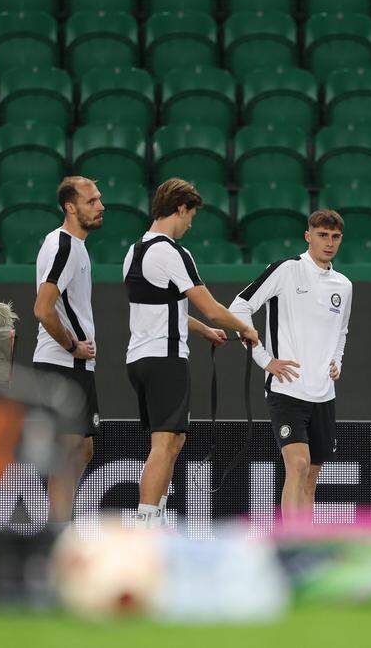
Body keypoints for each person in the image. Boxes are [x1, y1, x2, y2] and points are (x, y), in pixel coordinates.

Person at [124, 178, 261, 528]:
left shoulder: (134, 250)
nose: (190, 224)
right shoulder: (172, 252)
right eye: (190, 216)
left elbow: (165, 309)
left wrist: (204, 331)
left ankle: (158, 514)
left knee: (174, 439)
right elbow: (211, 306)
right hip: (165, 357)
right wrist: (244, 328)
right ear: (181, 209)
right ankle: (147, 524)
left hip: (140, 358)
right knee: (165, 442)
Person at [229, 210, 352, 518]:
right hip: (287, 389)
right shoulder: (286, 270)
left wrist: (336, 360)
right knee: (296, 465)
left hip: (324, 393)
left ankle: (304, 547)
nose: (329, 242)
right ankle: (289, 545)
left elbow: (342, 331)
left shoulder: (344, 285)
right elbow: (239, 308)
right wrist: (264, 359)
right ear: (308, 236)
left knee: (311, 476)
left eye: (335, 237)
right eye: (322, 235)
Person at [32, 177, 104, 528]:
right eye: (92, 201)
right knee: (67, 452)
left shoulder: (75, 245)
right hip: (61, 364)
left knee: (83, 450)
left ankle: (60, 522)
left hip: (76, 366)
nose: (100, 206)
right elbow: (43, 308)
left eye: (99, 200)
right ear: (70, 207)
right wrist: (72, 346)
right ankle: (58, 532)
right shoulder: (63, 245)